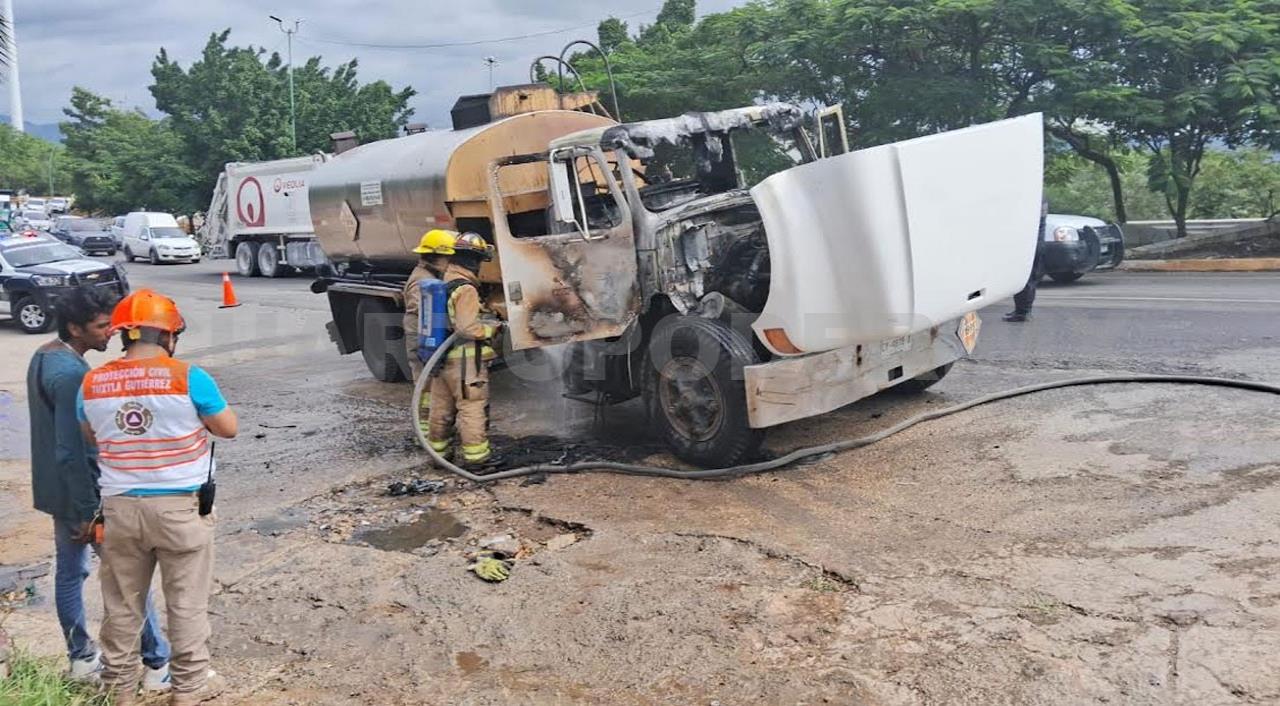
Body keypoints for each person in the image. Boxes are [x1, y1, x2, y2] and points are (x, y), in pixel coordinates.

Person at [77, 289, 237, 706]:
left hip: (119, 510)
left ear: (123, 336)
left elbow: (91, 436)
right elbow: (227, 428)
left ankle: (119, 691)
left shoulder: (92, 382)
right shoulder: (189, 377)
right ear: (169, 336)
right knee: (185, 603)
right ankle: (188, 690)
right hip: (180, 510)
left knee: (122, 606)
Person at [26, 288, 172, 689]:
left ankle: (81, 658)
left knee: (70, 574)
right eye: (102, 325)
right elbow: (72, 450)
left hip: (56, 491)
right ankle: (157, 664)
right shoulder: (72, 374)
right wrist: (91, 510)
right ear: (75, 328)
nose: (112, 332)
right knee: (130, 578)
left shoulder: (44, 355)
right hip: (82, 495)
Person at [403, 230, 501, 468]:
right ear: (473, 261)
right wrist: (491, 329)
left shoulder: (442, 282)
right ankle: (477, 459)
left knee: (441, 408)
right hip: (465, 361)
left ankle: (439, 455)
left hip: (441, 359)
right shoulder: (465, 288)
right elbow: (467, 328)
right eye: (479, 261)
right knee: (471, 406)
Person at [1005, 197, 1050, 322]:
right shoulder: (1041, 198)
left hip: (1030, 244)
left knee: (1025, 277)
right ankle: (1023, 310)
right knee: (1030, 277)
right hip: (1037, 243)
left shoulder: (1032, 199)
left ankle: (1022, 312)